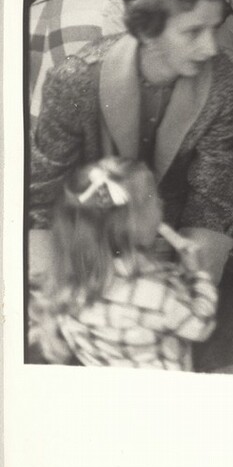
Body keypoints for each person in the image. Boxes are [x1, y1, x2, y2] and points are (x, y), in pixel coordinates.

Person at [29, 0, 233, 296]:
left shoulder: (226, 79)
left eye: (214, 28)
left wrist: (189, 288)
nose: (210, 48)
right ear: (147, 31)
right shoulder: (75, 80)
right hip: (86, 250)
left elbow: (213, 194)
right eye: (193, 32)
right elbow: (42, 197)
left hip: (173, 249)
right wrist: (56, 295)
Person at [29, 157, 219, 370]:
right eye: (153, 199)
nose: (161, 203)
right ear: (136, 224)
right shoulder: (159, 294)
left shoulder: (62, 283)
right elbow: (201, 326)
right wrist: (197, 274)